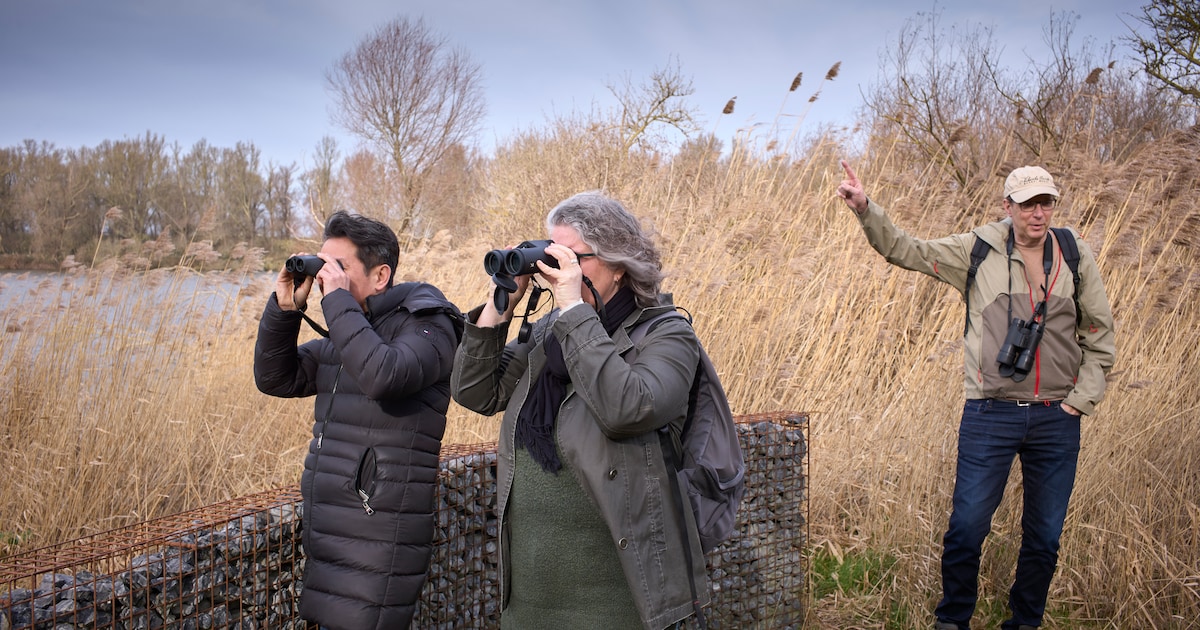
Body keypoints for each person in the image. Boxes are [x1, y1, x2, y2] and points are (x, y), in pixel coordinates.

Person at [836, 161, 1116, 630]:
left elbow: (1099, 335)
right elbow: (906, 249)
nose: (1038, 213)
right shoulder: (978, 249)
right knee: (966, 528)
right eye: (1028, 204)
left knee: (1044, 537)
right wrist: (867, 209)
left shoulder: (1074, 254)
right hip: (990, 414)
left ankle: (1025, 622)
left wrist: (1078, 402)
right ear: (1008, 207)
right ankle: (953, 620)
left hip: (1056, 418)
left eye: (1046, 202)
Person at [450, 191, 708, 630]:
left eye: (570, 256)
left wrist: (571, 307)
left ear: (618, 263)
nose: (554, 269)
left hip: (618, 600)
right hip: (532, 597)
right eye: (550, 254)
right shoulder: (551, 332)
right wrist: (502, 305)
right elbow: (474, 391)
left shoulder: (666, 335)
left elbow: (627, 407)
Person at [253, 210, 463, 630]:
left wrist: (336, 302)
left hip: (380, 531)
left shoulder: (428, 323)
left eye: (339, 268)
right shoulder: (351, 331)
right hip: (331, 525)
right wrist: (284, 311)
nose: (328, 277)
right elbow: (275, 378)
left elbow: (384, 374)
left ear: (380, 274)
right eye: (323, 265)